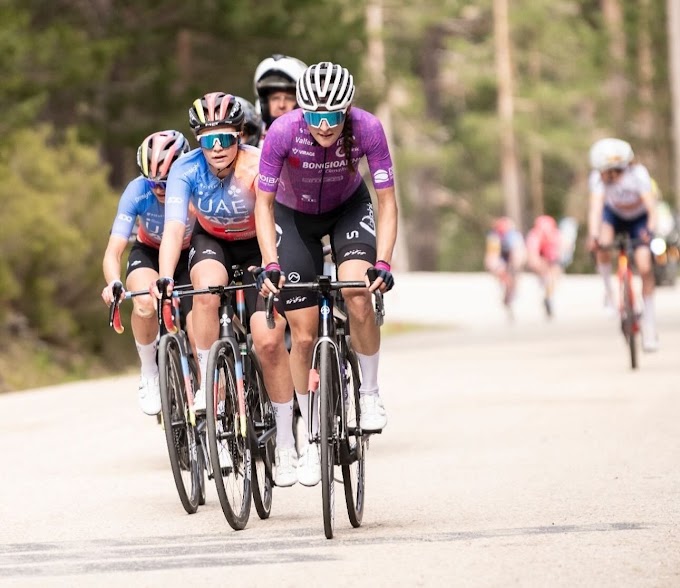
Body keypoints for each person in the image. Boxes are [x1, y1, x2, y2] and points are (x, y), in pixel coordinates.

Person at [255, 61, 398, 487]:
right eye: (313, 115)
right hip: (293, 217)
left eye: (331, 117)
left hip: (347, 210)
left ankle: (370, 394)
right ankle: (313, 430)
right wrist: (270, 262)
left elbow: (387, 201)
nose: (322, 126)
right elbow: (262, 206)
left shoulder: (367, 128)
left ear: (346, 110)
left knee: (357, 292)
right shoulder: (283, 131)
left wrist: (384, 262)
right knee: (301, 334)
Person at [154, 92, 296, 483]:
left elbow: (275, 213)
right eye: (208, 140)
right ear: (198, 141)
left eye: (225, 139)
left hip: (256, 244)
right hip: (213, 242)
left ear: (239, 136)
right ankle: (207, 382)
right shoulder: (186, 169)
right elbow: (174, 228)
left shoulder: (255, 163)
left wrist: (272, 266)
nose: (217, 149)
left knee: (268, 342)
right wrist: (165, 276)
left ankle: (285, 443)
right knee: (205, 290)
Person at [101, 130, 193, 416]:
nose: (160, 189)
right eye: (154, 182)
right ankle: (150, 371)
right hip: (150, 252)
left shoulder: (195, 182)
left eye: (166, 182)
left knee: (199, 313)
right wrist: (113, 282)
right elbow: (114, 249)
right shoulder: (137, 190)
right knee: (143, 303)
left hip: (189, 253)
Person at [587, 137, 658, 351]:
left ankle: (650, 324)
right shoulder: (598, 180)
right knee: (603, 243)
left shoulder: (638, 176)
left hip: (639, 218)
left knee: (644, 266)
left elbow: (651, 208)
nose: (600, 174)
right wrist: (593, 234)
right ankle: (609, 292)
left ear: (614, 169)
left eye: (603, 170)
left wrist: (650, 231)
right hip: (614, 216)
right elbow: (596, 209)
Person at [253, 54, 307, 137]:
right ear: (263, 103)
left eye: (289, 98)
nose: (281, 105)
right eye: (275, 98)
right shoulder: (249, 143)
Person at [484, 216, 526, 314]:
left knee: (514, 277)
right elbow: (492, 256)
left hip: (513, 256)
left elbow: (518, 253)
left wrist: (514, 266)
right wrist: (497, 268)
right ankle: (508, 292)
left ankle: (510, 294)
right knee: (505, 276)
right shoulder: (494, 236)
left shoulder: (514, 236)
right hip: (501, 257)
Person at [525, 214, 562, 318]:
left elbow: (555, 256)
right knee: (547, 276)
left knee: (553, 276)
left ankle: (548, 295)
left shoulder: (555, 235)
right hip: (539, 256)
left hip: (550, 256)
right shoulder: (533, 236)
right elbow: (533, 256)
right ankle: (546, 290)